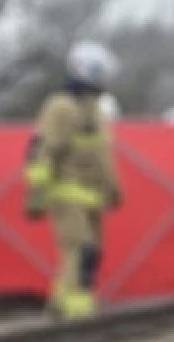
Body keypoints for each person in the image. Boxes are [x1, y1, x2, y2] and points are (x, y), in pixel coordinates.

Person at [24, 40, 122, 319]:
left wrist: (113, 190)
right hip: (67, 193)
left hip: (91, 197)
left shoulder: (97, 112)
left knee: (89, 255)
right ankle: (72, 314)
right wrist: (37, 192)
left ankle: (70, 307)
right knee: (80, 251)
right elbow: (44, 150)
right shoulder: (61, 107)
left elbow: (103, 155)